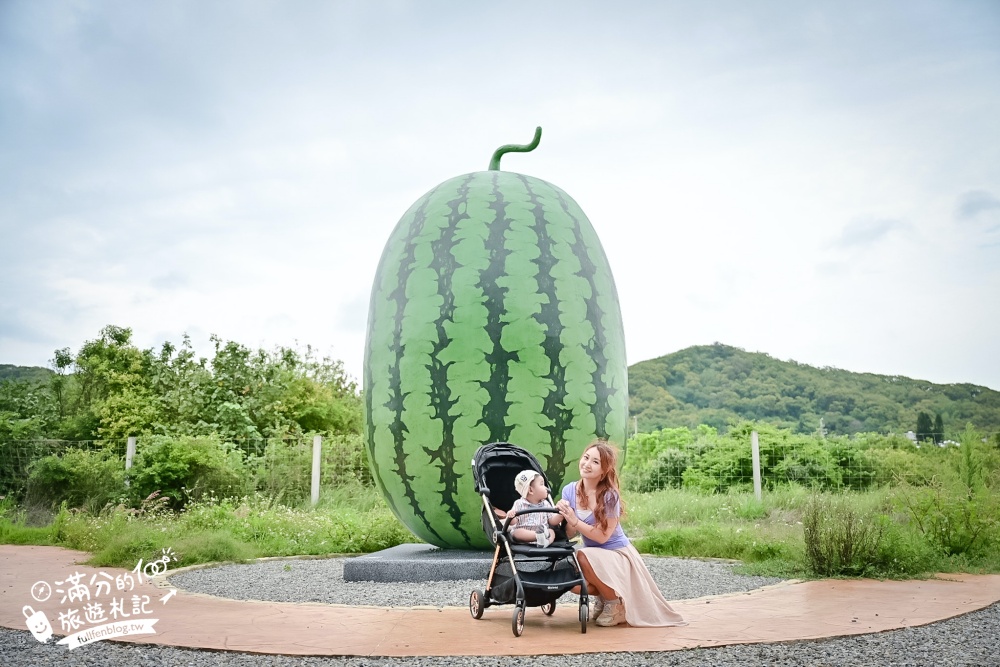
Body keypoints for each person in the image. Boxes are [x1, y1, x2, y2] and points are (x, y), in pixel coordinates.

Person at [556, 440, 687, 628]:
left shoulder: (609, 495)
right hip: (595, 557)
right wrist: (566, 516)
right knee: (573, 583)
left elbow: (602, 537)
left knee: (581, 554)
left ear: (604, 470)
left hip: (617, 552)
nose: (587, 464)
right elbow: (570, 533)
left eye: (595, 462)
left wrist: (576, 520)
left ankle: (614, 605)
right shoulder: (570, 490)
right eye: (586, 458)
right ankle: (605, 595)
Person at [507, 469, 563, 547]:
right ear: (531, 490)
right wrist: (511, 515)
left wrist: (561, 515)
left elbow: (552, 521)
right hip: (525, 535)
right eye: (542, 484)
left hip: (544, 532)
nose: (546, 488)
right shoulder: (519, 504)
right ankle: (538, 536)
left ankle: (546, 542)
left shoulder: (545, 504)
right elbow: (513, 522)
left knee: (552, 531)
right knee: (516, 532)